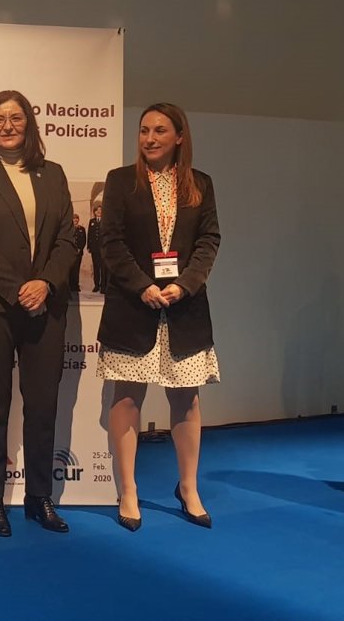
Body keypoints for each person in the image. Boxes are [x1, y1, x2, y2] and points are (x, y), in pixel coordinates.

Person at [0, 90, 78, 537]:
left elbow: (67, 237)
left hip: (45, 303)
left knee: (43, 405)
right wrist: (17, 289)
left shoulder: (52, 173)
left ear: (30, 124)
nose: (7, 126)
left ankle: (39, 497)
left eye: (16, 118)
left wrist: (45, 284)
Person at [97, 102, 220, 532]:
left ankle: (188, 487)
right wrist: (142, 286)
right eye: (144, 130)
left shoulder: (200, 184)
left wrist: (185, 284)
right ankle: (128, 490)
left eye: (160, 131)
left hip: (184, 308)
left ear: (179, 137)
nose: (149, 138)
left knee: (186, 400)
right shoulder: (120, 181)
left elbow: (209, 240)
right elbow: (110, 242)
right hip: (134, 306)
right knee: (127, 398)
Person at [89, 204, 105, 293]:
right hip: (94, 249)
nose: (99, 212)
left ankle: (103, 286)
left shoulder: (105, 221)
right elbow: (90, 234)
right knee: (96, 267)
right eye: (97, 210)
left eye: (100, 210)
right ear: (94, 212)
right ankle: (96, 285)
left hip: (103, 248)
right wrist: (89, 246)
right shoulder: (92, 221)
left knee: (103, 267)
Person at [70, 212, 86, 295]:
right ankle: (70, 285)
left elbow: (84, 240)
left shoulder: (81, 229)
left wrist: (80, 248)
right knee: (70, 269)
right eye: (74, 218)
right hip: (70, 252)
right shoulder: (69, 229)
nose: (75, 220)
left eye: (76, 218)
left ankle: (76, 285)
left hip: (79, 252)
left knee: (77, 269)